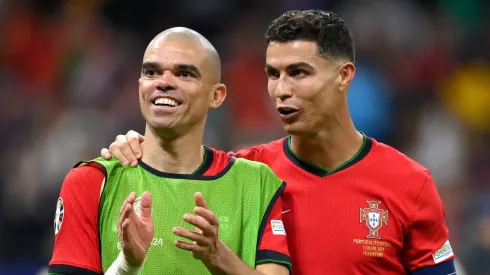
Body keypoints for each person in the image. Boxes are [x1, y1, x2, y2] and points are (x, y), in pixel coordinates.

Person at [101, 10, 457, 275]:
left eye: (298, 73)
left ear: (344, 76)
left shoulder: (409, 183)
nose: (281, 90)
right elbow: (171, 167)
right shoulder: (244, 175)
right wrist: (135, 145)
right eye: (273, 74)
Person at [48, 27, 291, 275]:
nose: (163, 83)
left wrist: (219, 257)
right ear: (140, 86)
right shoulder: (92, 182)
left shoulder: (255, 183)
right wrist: (127, 266)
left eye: (184, 74)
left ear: (216, 96)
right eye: (151, 72)